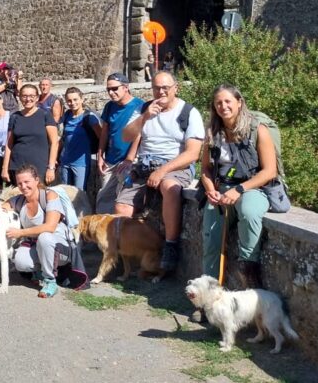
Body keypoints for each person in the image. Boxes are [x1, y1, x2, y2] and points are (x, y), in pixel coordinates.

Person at [116, 70, 205, 275]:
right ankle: (129, 257)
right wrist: (145, 117)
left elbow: (193, 153)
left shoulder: (188, 112)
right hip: (144, 166)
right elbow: (126, 136)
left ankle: (170, 246)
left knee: (169, 187)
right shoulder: (144, 108)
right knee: (121, 207)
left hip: (175, 165)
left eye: (166, 87)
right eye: (157, 87)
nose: (161, 92)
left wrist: (163, 170)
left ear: (176, 88)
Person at [200, 84, 278, 289]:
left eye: (228, 101)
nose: (223, 106)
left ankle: (249, 272)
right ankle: (208, 297)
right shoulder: (212, 133)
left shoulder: (258, 130)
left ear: (239, 103)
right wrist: (210, 189)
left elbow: (270, 171)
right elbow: (206, 169)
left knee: (249, 211)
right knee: (210, 241)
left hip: (253, 187)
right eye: (218, 102)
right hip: (221, 190)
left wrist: (240, 190)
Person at [5, 165, 74, 299]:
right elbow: (0, 208)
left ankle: (50, 281)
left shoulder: (50, 195)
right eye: (19, 183)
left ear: (37, 180)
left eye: (27, 182)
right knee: (20, 262)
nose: (23, 186)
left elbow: (50, 227)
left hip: (60, 248)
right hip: (38, 246)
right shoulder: (19, 200)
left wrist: (20, 232)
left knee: (45, 237)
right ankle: (41, 271)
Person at [96, 73, 144, 213]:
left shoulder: (139, 106)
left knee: (123, 201)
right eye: (108, 89)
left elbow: (139, 135)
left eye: (115, 88)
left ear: (126, 87)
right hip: (111, 161)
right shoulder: (109, 107)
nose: (111, 93)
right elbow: (105, 132)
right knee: (103, 199)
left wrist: (130, 158)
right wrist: (100, 155)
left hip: (129, 162)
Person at [1, 83, 58, 185]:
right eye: (24, 96)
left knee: (40, 198)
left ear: (37, 98)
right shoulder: (14, 117)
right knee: (19, 198)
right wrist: (5, 168)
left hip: (39, 166)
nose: (28, 99)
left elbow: (54, 142)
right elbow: (9, 144)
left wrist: (51, 167)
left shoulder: (45, 115)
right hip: (17, 166)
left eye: (31, 96)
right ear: (20, 97)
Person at [58, 87, 101, 192]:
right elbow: (61, 137)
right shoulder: (67, 116)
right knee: (65, 193)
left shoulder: (89, 117)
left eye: (75, 99)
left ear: (82, 99)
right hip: (65, 161)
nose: (72, 103)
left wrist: (101, 157)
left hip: (81, 163)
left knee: (79, 194)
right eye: (69, 100)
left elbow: (101, 138)